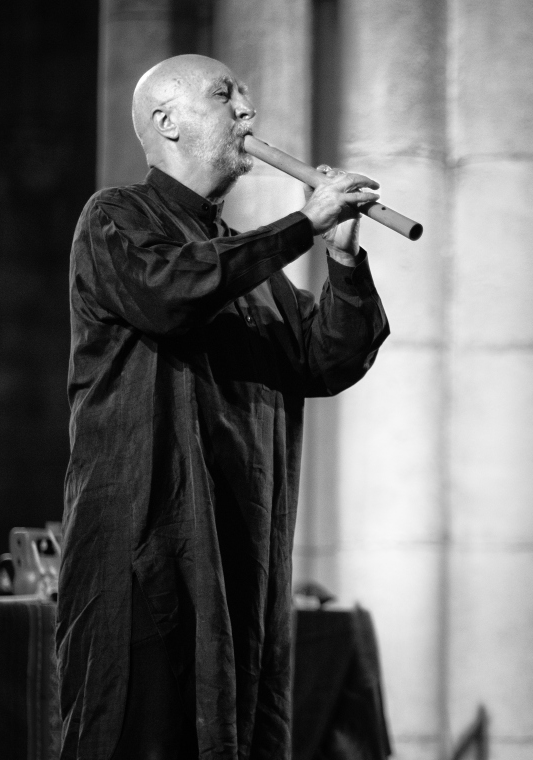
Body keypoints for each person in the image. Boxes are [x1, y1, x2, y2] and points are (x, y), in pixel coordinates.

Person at [59, 54, 390, 759]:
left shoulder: (247, 259)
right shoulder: (114, 217)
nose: (247, 111)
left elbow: (325, 359)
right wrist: (301, 224)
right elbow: (169, 293)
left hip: (241, 549)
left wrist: (341, 255)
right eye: (224, 95)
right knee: (145, 732)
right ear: (166, 121)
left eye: (246, 97)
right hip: (148, 543)